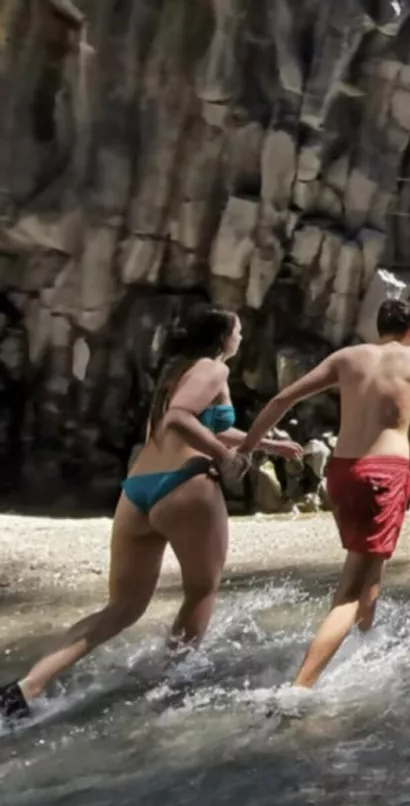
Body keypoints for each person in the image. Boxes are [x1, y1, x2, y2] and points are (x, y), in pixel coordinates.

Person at [1, 306, 301, 723]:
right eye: (238, 330)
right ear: (221, 337)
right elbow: (181, 419)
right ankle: (171, 687)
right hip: (185, 485)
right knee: (201, 591)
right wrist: (225, 458)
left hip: (137, 492)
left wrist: (265, 444)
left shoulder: (179, 372)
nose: (242, 336)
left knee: (121, 608)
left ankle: (26, 689)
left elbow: (198, 422)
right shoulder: (213, 369)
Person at [237, 299, 410, 689]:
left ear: (379, 326)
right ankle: (300, 688)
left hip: (342, 472)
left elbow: (283, 399)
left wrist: (249, 445)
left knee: (371, 567)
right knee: (351, 590)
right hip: (384, 475)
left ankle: (363, 648)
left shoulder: (347, 357)